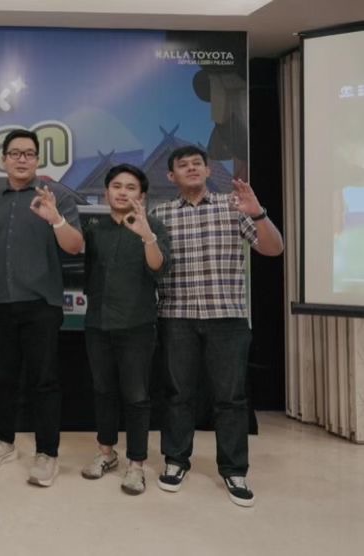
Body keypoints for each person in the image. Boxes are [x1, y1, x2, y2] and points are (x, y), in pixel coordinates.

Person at [152, 145, 284, 507]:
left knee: (230, 398)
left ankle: (234, 469)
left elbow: (273, 249)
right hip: (176, 316)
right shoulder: (160, 213)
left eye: (198, 163)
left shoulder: (234, 206)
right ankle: (176, 461)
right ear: (171, 176)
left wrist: (258, 214)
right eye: (183, 165)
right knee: (178, 395)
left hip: (227, 318)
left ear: (208, 170)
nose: (192, 168)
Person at [0, 129, 84, 487]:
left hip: (41, 304)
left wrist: (56, 219)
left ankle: (47, 453)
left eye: (29, 153)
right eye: (15, 153)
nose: (22, 159)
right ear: (3, 159)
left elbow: (75, 246)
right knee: (2, 377)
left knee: (44, 381)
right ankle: (3, 441)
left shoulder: (56, 197)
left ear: (37, 159)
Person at [79, 164, 170, 495]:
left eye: (131, 187)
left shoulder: (153, 226)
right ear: (106, 192)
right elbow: (88, 274)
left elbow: (158, 268)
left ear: (141, 195)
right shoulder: (95, 230)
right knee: (103, 390)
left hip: (137, 325)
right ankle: (106, 453)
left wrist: (146, 235)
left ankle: (136, 463)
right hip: (97, 324)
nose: (122, 192)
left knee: (136, 395)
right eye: (116, 186)